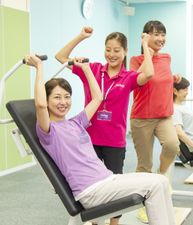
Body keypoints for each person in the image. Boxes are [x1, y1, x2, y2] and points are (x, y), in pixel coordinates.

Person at [25, 53, 175, 225]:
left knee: (162, 181)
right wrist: (39, 67)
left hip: (107, 179)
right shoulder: (48, 131)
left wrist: (87, 69)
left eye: (67, 96)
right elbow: (40, 105)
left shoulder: (76, 122)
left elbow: (98, 98)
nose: (63, 102)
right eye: (57, 97)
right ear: (47, 100)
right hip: (91, 191)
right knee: (154, 187)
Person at [55, 27, 155, 223]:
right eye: (108, 49)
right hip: (87, 140)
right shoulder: (90, 70)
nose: (111, 54)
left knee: (114, 189)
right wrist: (81, 37)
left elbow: (149, 73)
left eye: (117, 50)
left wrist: (145, 44)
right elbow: (60, 56)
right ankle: (95, 222)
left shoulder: (129, 78)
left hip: (114, 142)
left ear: (125, 52)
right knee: (92, 186)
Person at [129, 20, 181, 223]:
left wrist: (174, 78)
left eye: (163, 34)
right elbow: (138, 78)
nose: (160, 39)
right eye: (155, 34)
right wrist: (146, 51)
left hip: (164, 115)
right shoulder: (135, 59)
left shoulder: (166, 58)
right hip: (141, 117)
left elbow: (161, 78)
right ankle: (143, 206)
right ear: (145, 36)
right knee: (144, 165)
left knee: (172, 145)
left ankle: (162, 176)